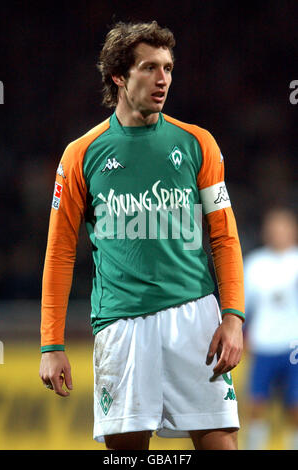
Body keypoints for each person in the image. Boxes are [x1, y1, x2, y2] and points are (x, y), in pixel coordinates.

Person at [39, 20, 245, 451]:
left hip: (195, 318)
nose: (163, 79)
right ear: (119, 76)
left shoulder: (198, 144)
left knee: (222, 445)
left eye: (168, 68)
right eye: (149, 68)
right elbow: (59, 252)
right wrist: (50, 343)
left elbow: (224, 237)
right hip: (122, 324)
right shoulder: (81, 154)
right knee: (127, 453)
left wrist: (233, 316)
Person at [243, 207, 298, 450]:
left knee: (295, 406)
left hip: (293, 343)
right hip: (263, 342)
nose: (278, 232)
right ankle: (255, 445)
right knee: (257, 404)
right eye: (273, 227)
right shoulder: (255, 263)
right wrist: (243, 334)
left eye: (283, 227)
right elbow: (243, 306)